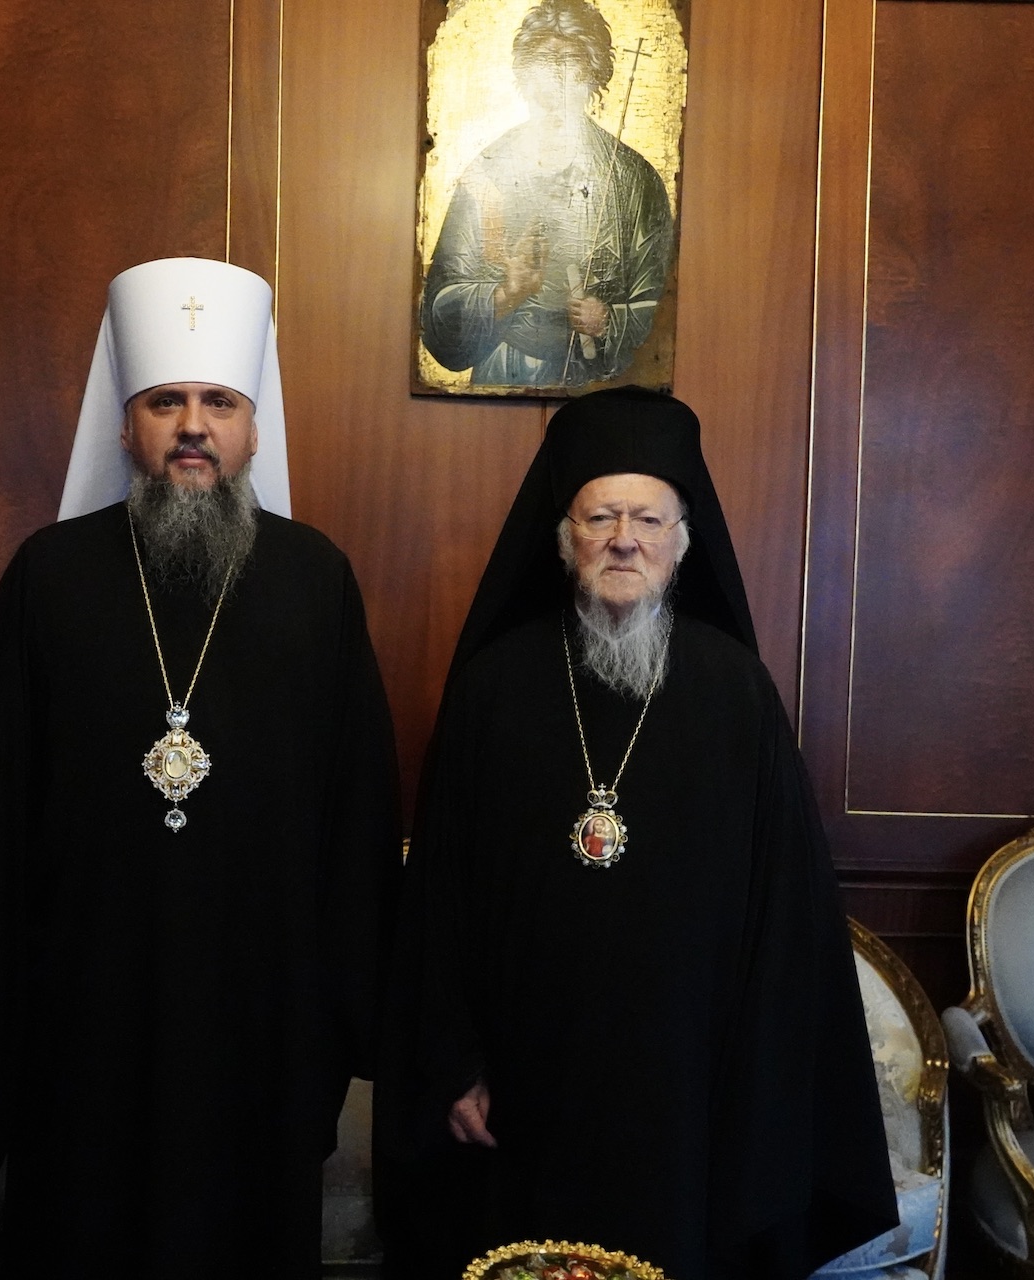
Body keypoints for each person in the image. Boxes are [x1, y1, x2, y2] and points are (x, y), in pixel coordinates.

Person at [0, 257, 403, 1275]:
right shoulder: (50, 575)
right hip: (85, 1000)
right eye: (165, 401)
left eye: (219, 402)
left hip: (261, 1005)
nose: (193, 427)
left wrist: (348, 1007)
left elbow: (355, 814)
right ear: (125, 427)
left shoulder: (315, 578)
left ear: (253, 429)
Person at [376, 388, 897, 1279]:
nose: (625, 539)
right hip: (524, 1090)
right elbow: (439, 902)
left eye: (649, 519)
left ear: (682, 540)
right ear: (564, 537)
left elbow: (786, 921)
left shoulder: (737, 694)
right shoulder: (493, 690)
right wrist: (454, 1063)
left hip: (690, 1095)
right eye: (601, 516)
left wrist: (756, 1092)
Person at [419, 0, 675, 388]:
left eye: (569, 60)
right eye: (543, 60)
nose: (555, 77)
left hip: (596, 388)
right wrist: (506, 294)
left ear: (593, 71)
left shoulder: (633, 179)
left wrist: (608, 320)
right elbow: (439, 307)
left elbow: (662, 305)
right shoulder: (488, 173)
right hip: (502, 373)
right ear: (524, 72)